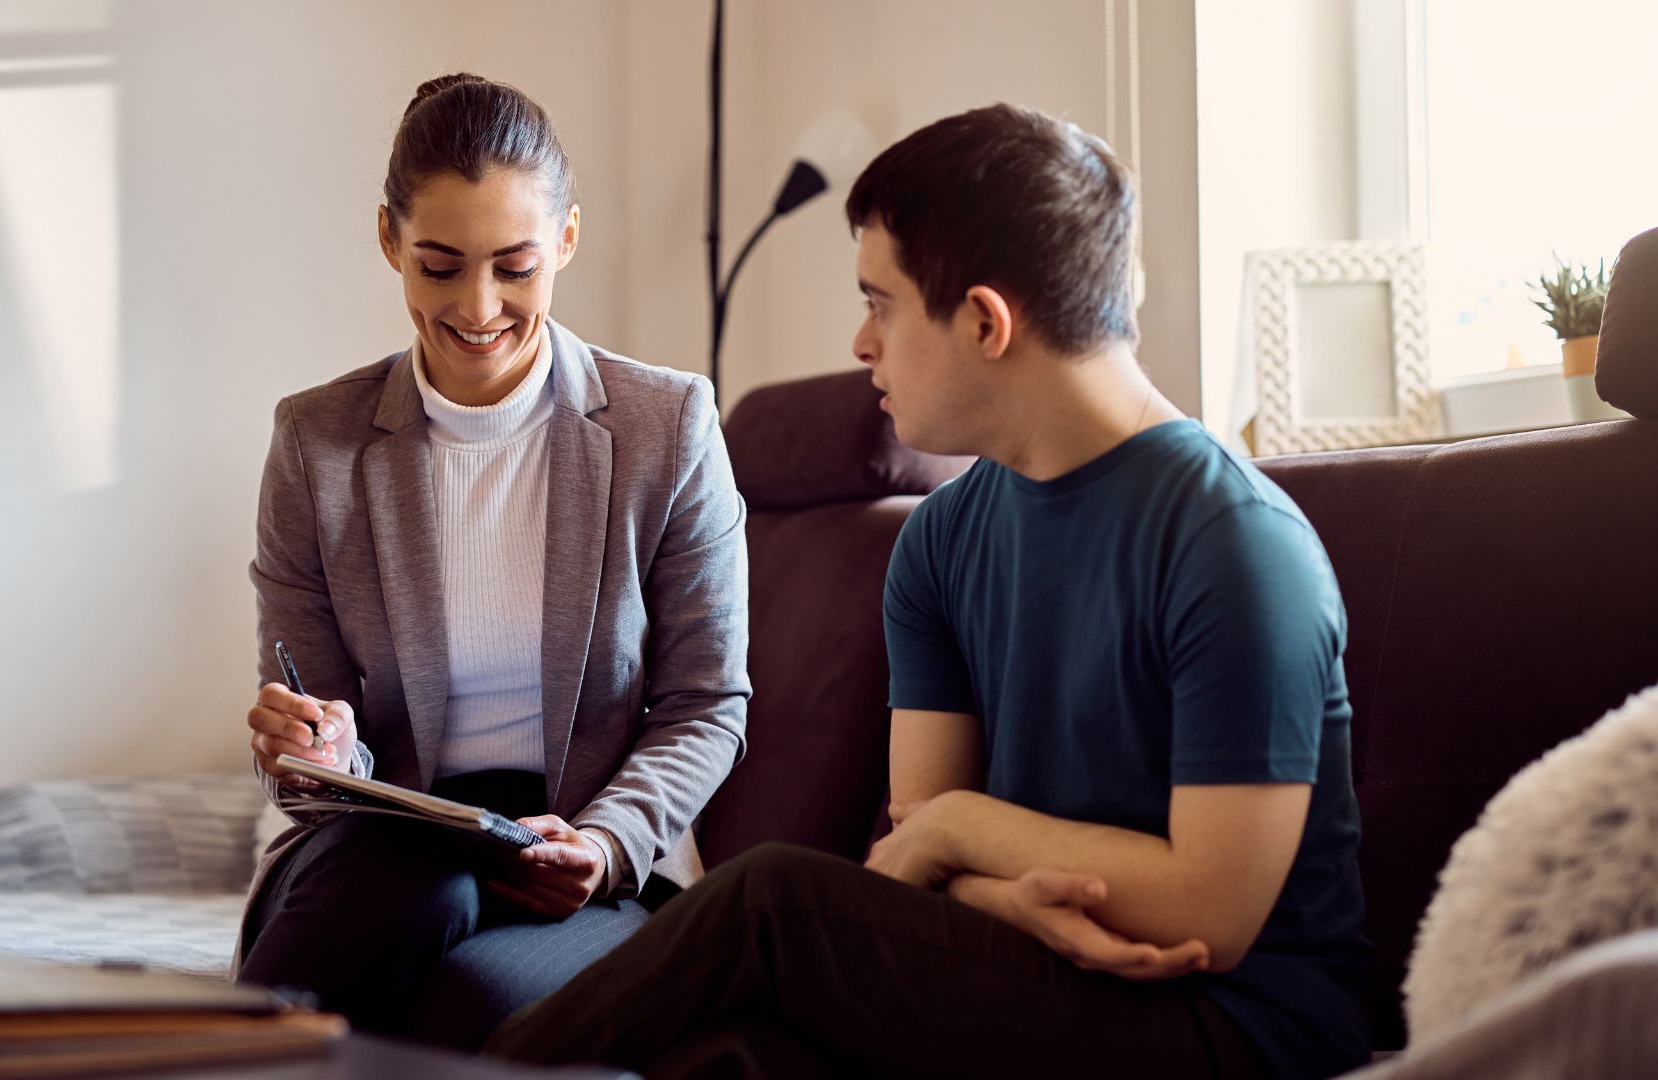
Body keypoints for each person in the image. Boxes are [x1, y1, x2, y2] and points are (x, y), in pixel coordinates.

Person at [487, 104, 1371, 1079]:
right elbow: (916, 873)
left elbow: (1208, 912)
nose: (860, 341)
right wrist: (981, 885)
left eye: (882, 302)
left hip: (1234, 1028)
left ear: (986, 322)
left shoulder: (1235, 545)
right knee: (735, 1053)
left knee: (768, 903)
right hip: (1040, 966)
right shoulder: (942, 541)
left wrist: (957, 835)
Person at [233, 73, 749, 1049]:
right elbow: (312, 732)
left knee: (478, 1002)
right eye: (439, 266)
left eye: (515, 266)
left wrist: (602, 843)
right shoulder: (317, 443)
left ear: (567, 240)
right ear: (389, 240)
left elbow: (706, 703)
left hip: (585, 869)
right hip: (373, 863)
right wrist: (320, 749)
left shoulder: (667, 428)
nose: (479, 307)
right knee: (408, 888)